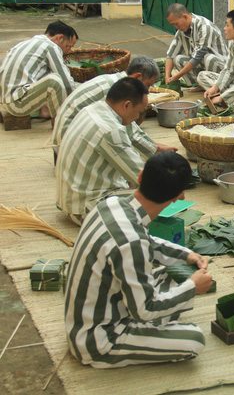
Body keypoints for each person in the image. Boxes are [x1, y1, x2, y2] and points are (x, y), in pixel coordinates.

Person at [65, 151, 212, 369]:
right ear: (178, 197)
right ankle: (129, 340)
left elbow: (145, 240)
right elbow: (144, 310)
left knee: (176, 270)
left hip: (96, 311)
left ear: (140, 176)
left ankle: (152, 327)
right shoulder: (132, 244)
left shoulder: (111, 203)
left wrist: (186, 255)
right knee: (194, 340)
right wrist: (193, 287)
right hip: (97, 340)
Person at [55, 77, 154, 225]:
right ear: (126, 105)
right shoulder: (111, 131)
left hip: (70, 201)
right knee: (153, 197)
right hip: (86, 210)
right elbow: (141, 177)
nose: (138, 117)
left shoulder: (92, 109)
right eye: (139, 112)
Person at [52, 56, 177, 158]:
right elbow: (128, 129)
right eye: (147, 85)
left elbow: (130, 125)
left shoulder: (114, 80)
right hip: (67, 143)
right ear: (137, 77)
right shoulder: (116, 89)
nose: (147, 90)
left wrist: (153, 145)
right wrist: (155, 150)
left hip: (67, 136)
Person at [0, 20, 77, 119]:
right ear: (60, 37)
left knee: (44, 70)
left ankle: (45, 109)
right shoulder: (51, 47)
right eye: (68, 46)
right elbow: (67, 83)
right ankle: (60, 120)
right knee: (55, 80)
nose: (69, 50)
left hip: (4, 100)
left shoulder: (24, 43)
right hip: (17, 104)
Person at [164, 3, 228, 92]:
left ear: (185, 17)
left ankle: (218, 87)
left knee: (208, 58)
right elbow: (171, 55)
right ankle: (201, 85)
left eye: (176, 24)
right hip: (202, 65)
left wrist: (177, 76)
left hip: (220, 66)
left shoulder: (204, 26)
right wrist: (167, 76)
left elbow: (198, 57)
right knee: (178, 59)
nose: (176, 27)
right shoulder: (180, 32)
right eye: (173, 25)